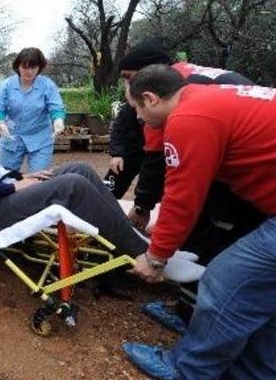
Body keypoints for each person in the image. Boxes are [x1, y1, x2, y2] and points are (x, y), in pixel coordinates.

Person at [122, 65, 276, 380]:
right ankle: (256, 372)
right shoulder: (208, 99)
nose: (138, 118)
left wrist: (156, 256)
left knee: (225, 279)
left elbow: (183, 197)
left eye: (136, 108)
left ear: (149, 99)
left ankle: (186, 369)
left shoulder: (188, 119)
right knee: (263, 291)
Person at [0, 106, 200, 277]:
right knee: (70, 186)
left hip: (3, 191)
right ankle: (147, 255)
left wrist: (21, 176)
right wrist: (12, 185)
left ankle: (136, 238)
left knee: (80, 168)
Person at [110, 39, 260, 332]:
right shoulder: (191, 80)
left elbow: (175, 185)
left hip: (245, 175)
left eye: (130, 79)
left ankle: (195, 318)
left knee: (210, 234)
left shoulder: (179, 109)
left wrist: (153, 244)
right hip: (256, 164)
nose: (130, 90)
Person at [0, 47, 65, 173]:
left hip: (40, 138)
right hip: (12, 136)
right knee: (5, 176)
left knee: (39, 178)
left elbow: (56, 107)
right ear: (18, 67)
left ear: (39, 67)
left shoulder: (47, 85)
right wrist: (1, 122)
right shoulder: (6, 85)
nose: (29, 72)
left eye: (33, 67)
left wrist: (58, 120)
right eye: (25, 67)